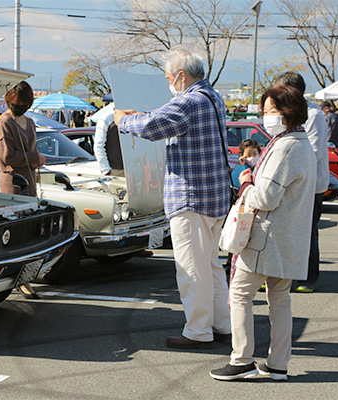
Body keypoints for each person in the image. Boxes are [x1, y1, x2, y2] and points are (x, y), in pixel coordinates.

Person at [114, 46, 231, 349]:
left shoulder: (188, 102)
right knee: (211, 267)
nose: (168, 82)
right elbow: (162, 118)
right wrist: (140, 115)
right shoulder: (211, 96)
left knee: (192, 269)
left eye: (168, 76)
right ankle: (221, 324)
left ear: (180, 76)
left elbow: (153, 126)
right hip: (214, 197)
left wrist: (121, 120)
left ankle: (198, 331)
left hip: (191, 198)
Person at [210, 85, 316, 381]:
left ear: (288, 112)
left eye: (272, 111)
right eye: (265, 111)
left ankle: (242, 359)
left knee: (241, 294)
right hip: (289, 238)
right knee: (280, 299)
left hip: (266, 238)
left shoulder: (284, 147)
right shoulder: (303, 143)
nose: (267, 117)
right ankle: (278, 364)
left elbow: (266, 198)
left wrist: (245, 182)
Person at [271, 72, 328, 293]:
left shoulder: (313, 115)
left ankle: (308, 277)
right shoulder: (287, 113)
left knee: (308, 230)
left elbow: (310, 154)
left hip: (310, 185)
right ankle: (286, 272)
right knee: (287, 230)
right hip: (288, 182)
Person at [0, 81, 46, 300]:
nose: (21, 107)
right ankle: (18, 280)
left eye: (25, 104)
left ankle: (24, 277)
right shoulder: (4, 121)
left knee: (30, 233)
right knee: (16, 234)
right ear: (8, 100)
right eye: (17, 103)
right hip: (13, 182)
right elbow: (6, 156)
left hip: (30, 182)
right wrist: (36, 158)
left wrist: (35, 161)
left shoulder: (30, 122)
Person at [94, 103, 124, 177]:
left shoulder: (133, 115)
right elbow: (98, 145)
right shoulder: (107, 117)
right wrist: (106, 170)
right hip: (114, 171)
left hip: (132, 169)